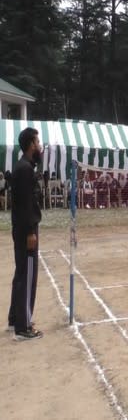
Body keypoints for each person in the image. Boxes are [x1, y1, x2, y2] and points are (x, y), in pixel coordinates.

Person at [7, 127, 44, 340]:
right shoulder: (25, 169)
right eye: (37, 142)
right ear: (31, 144)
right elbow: (25, 204)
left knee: (21, 273)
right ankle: (24, 326)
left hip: (21, 228)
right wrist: (31, 231)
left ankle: (15, 318)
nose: (39, 146)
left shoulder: (24, 167)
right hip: (25, 230)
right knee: (28, 275)